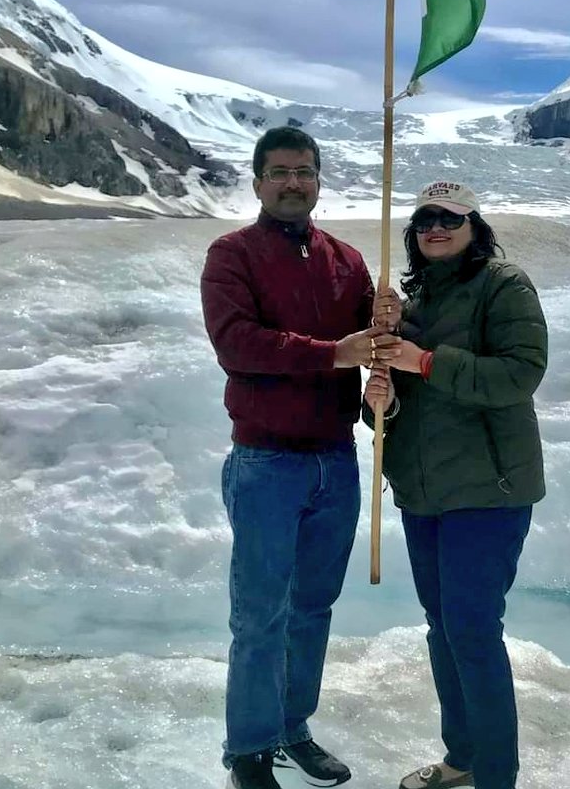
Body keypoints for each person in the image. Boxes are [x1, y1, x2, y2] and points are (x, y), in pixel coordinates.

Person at [202, 126, 401, 789]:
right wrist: (333, 354)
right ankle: (250, 749)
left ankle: (292, 728)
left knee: (312, 607)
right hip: (266, 463)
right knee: (260, 613)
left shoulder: (346, 260)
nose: (294, 183)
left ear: (318, 181)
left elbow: (370, 343)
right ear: (258, 181)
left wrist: (385, 330)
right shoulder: (231, 256)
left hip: (334, 462)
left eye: (305, 171)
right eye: (281, 171)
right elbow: (239, 346)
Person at [364, 180, 548, 789]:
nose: (435, 228)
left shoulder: (503, 285)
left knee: (470, 628)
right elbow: (395, 409)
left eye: (449, 218)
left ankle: (496, 777)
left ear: (475, 226)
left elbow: (519, 375)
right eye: (424, 220)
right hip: (424, 492)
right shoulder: (408, 305)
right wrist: (379, 402)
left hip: (488, 489)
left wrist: (422, 360)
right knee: (443, 626)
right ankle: (463, 757)